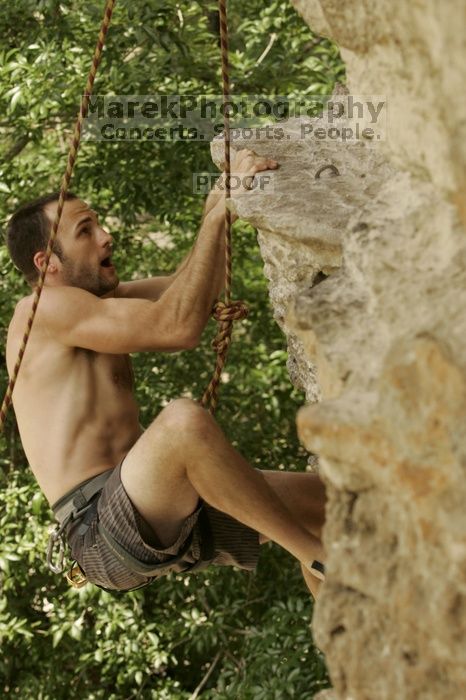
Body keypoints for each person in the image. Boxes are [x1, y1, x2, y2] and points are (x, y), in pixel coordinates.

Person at [4, 149, 327, 599]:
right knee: (181, 423)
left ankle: (351, 633)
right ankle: (318, 557)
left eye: (98, 223)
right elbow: (176, 326)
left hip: (160, 506)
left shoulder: (99, 304)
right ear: (47, 263)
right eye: (85, 231)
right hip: (99, 524)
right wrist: (218, 216)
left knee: (336, 503)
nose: (105, 236)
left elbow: (189, 285)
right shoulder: (40, 310)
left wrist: (220, 198)